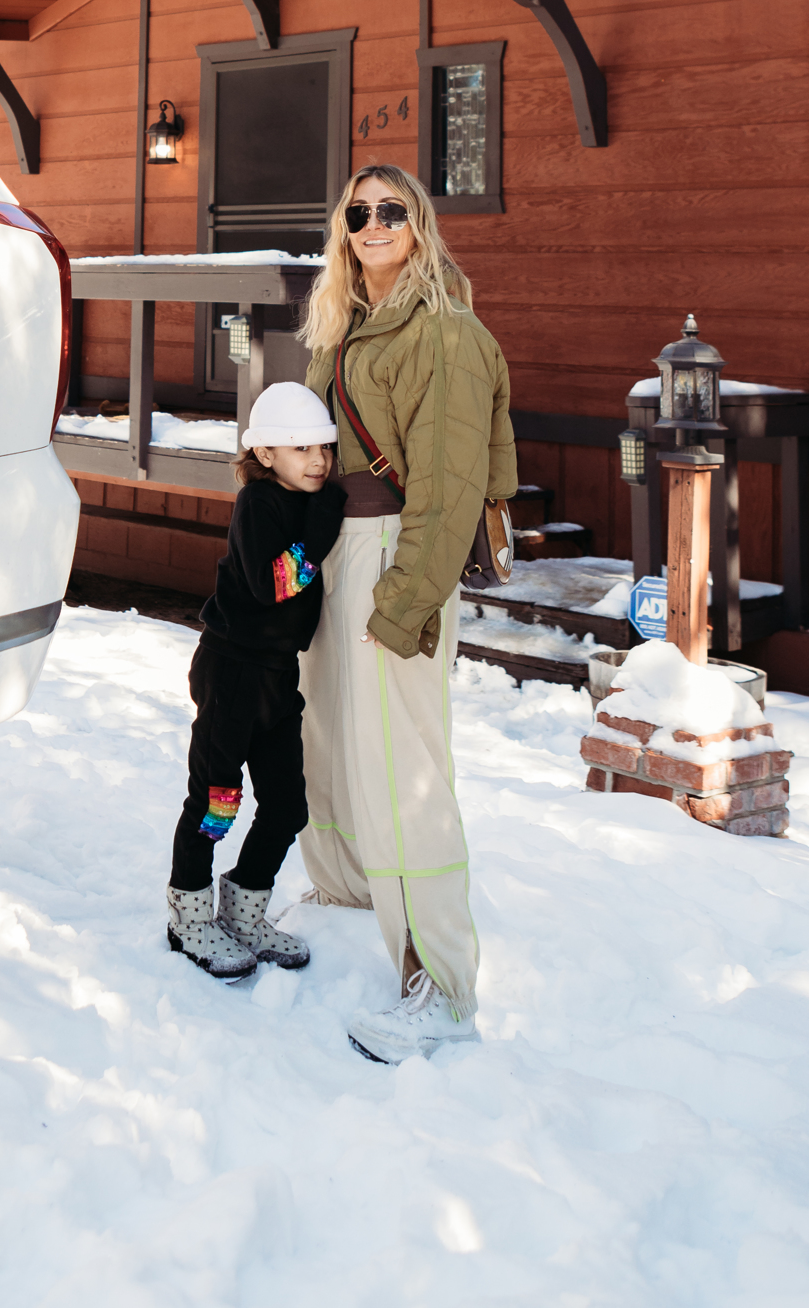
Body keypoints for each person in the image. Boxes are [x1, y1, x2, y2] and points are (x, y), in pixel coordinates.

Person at [298, 162, 516, 1062]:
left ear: (419, 225)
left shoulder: (444, 334)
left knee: (403, 769)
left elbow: (449, 486)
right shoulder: (342, 328)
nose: (374, 222)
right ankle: (349, 894)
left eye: (392, 209)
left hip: (396, 555)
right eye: (359, 210)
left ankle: (440, 985)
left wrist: (406, 602)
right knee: (332, 739)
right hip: (333, 551)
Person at [166, 383, 348, 981]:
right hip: (232, 671)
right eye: (300, 449)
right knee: (217, 802)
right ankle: (188, 915)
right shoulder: (259, 504)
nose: (317, 460)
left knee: (287, 806)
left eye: (323, 446)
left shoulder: (312, 501)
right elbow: (275, 582)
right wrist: (320, 528)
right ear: (266, 454)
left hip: (277, 675)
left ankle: (244, 909)